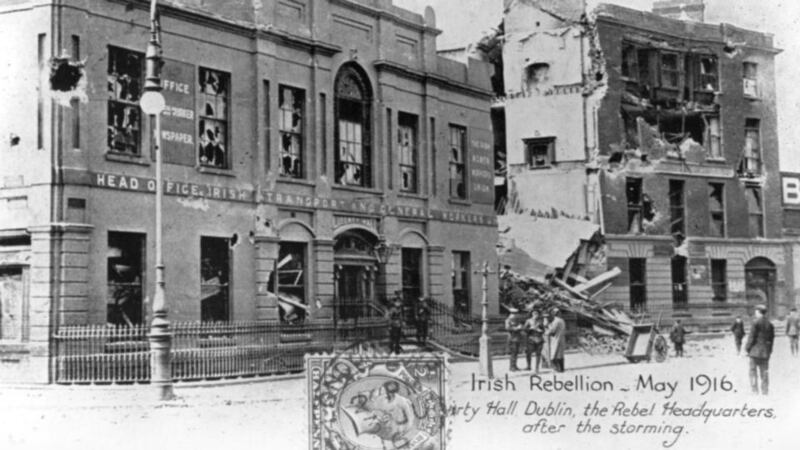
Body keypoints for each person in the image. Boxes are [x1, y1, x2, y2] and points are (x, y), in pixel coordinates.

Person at [746, 304, 775, 395]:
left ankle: (755, 391)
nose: (755, 313)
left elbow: (751, 338)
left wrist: (747, 349)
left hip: (754, 352)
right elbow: (771, 339)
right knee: (764, 372)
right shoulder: (770, 324)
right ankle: (765, 391)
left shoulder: (755, 323)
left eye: (756, 311)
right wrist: (769, 351)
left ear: (758, 312)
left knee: (753, 372)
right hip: (765, 353)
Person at [524, 307, 545, 373]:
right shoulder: (528, 321)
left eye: (537, 313)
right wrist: (530, 328)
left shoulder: (540, 321)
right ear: (532, 314)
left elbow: (544, 330)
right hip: (531, 339)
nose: (536, 315)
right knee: (528, 353)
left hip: (539, 339)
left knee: (538, 354)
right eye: (534, 313)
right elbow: (524, 329)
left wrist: (540, 330)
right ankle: (528, 366)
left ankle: (537, 368)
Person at [545, 307, 566, 373]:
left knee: (555, 353)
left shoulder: (556, 321)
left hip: (556, 338)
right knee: (560, 353)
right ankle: (561, 368)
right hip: (561, 338)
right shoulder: (561, 320)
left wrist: (547, 327)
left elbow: (552, 330)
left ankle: (557, 368)